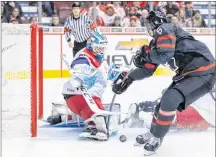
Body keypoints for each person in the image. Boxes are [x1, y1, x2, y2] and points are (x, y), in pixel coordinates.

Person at [112, 11, 215, 156]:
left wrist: (145, 55)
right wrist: (129, 78)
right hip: (191, 72)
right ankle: (154, 133)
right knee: (163, 103)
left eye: (148, 25)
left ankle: (157, 137)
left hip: (203, 70)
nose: (148, 29)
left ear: (154, 23)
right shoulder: (158, 41)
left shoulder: (164, 28)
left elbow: (164, 55)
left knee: (170, 99)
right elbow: (148, 70)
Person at [49, 31, 121, 141]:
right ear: (90, 45)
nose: (101, 50)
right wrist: (82, 74)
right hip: (76, 95)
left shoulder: (99, 57)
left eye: (103, 48)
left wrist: (117, 74)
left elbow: (107, 73)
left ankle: (64, 115)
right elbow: (79, 65)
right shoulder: (84, 56)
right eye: (98, 48)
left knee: (92, 100)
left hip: (80, 97)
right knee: (94, 104)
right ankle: (93, 125)